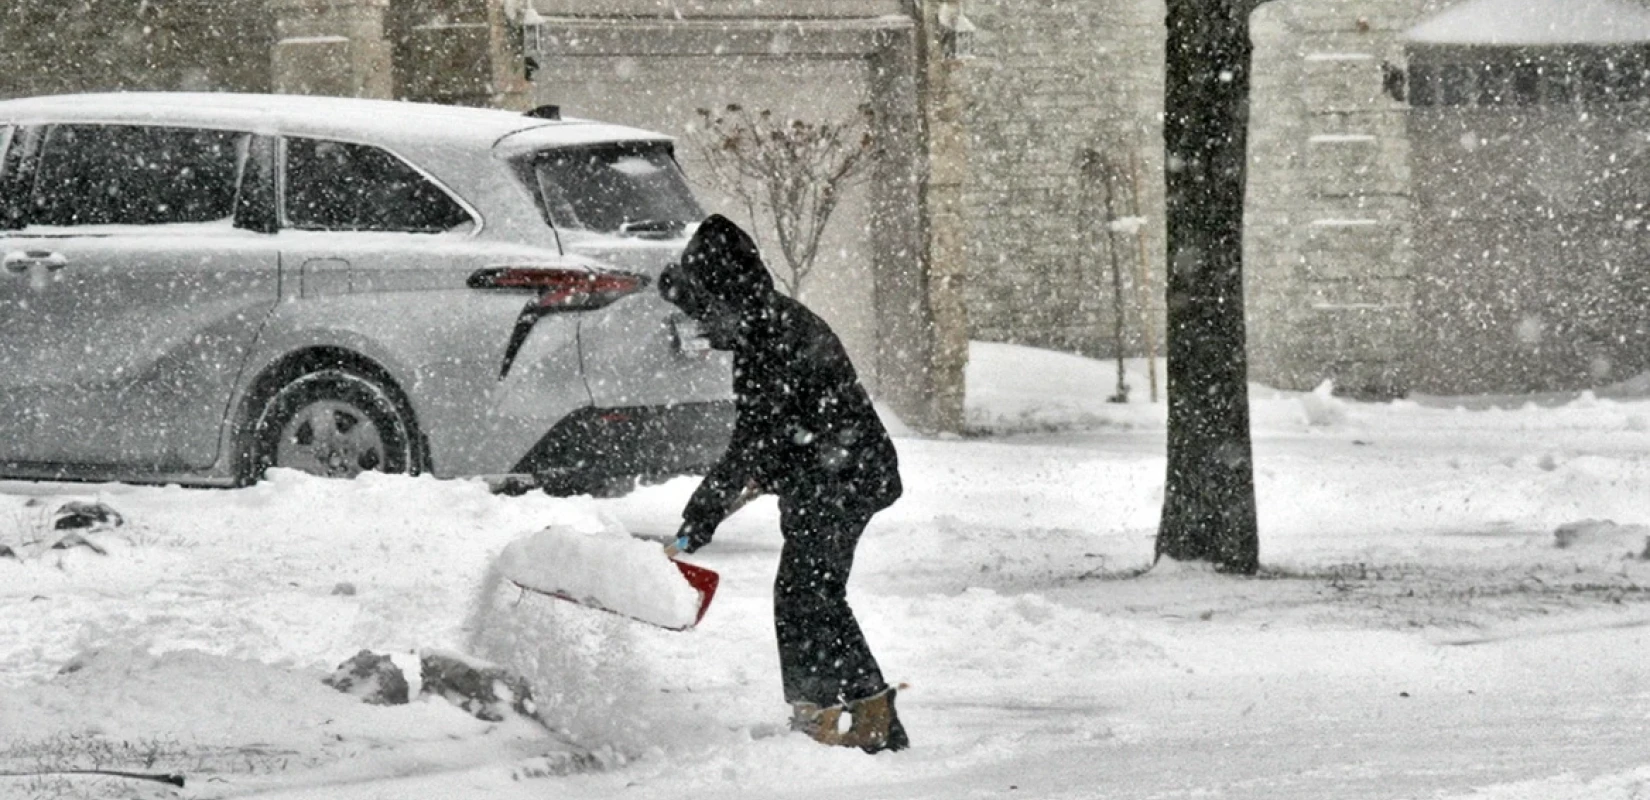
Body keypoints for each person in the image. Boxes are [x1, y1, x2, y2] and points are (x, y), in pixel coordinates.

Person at [658, 214, 908, 754]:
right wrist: (713, 507)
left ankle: (835, 715)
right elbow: (764, 441)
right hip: (826, 473)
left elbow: (754, 440)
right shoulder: (762, 327)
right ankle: (857, 712)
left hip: (845, 475)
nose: (703, 327)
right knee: (809, 593)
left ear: (727, 295)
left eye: (705, 311)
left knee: (807, 593)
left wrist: (702, 514)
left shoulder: (775, 336)